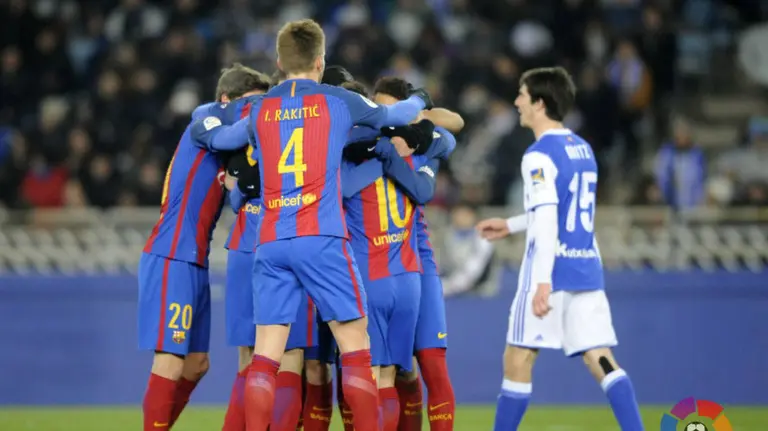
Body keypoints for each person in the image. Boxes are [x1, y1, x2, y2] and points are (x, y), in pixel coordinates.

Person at [192, 19, 433, 431]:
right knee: (356, 348)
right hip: (320, 236)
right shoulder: (338, 101)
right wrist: (422, 97)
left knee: (266, 356)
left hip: (271, 241)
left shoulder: (261, 108)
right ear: (321, 61)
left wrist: (204, 122)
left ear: (279, 62)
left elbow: (223, 139)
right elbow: (397, 113)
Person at [476, 67, 643, 431]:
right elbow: (565, 209)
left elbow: (550, 219)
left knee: (518, 357)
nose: (517, 101)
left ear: (539, 102)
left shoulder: (537, 156)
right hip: (586, 269)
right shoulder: (582, 148)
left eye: (522, 95)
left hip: (550, 273)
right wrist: (513, 224)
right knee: (600, 359)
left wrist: (541, 282)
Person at [137, 63, 268, 431]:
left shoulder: (235, 147)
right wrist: (268, 111)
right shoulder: (206, 119)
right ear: (226, 100)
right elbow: (228, 136)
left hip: (195, 260)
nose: (254, 111)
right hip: (170, 254)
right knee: (171, 360)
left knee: (197, 364)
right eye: (249, 103)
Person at [338, 76, 456, 431]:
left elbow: (451, 127)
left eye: (391, 111)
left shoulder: (355, 153)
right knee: (392, 374)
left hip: (383, 269)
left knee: (382, 374)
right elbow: (447, 137)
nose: (383, 118)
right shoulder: (409, 148)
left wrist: (406, 135)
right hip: (404, 270)